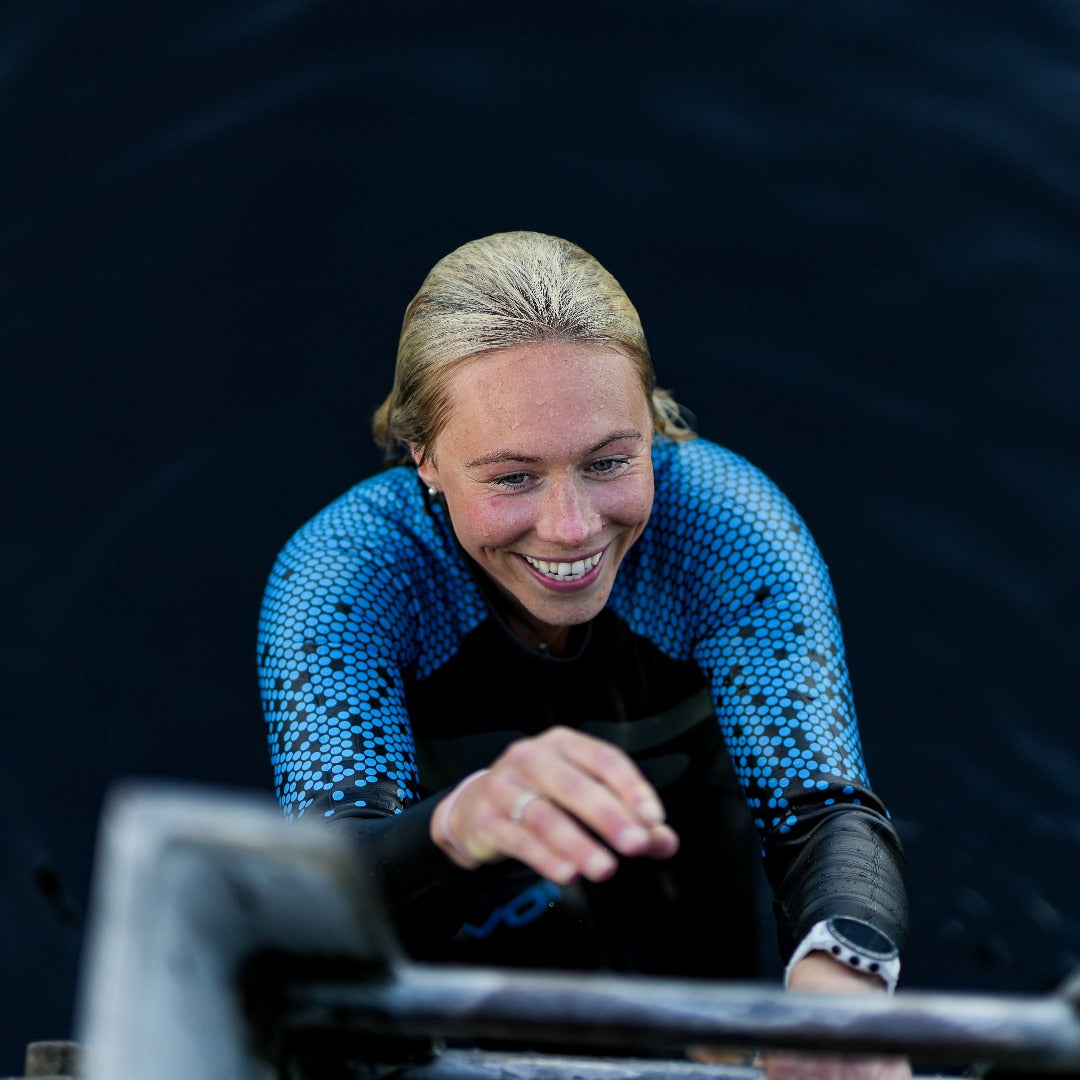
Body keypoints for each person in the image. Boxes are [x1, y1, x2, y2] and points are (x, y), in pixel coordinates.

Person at [256, 230, 910, 1076]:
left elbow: (821, 810)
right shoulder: (347, 575)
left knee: (717, 1026)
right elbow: (325, 887)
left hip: (678, 842)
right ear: (425, 459)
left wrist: (842, 981)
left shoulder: (727, 530)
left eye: (608, 462)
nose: (571, 528)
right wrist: (456, 822)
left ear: (652, 426)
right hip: (460, 872)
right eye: (512, 477)